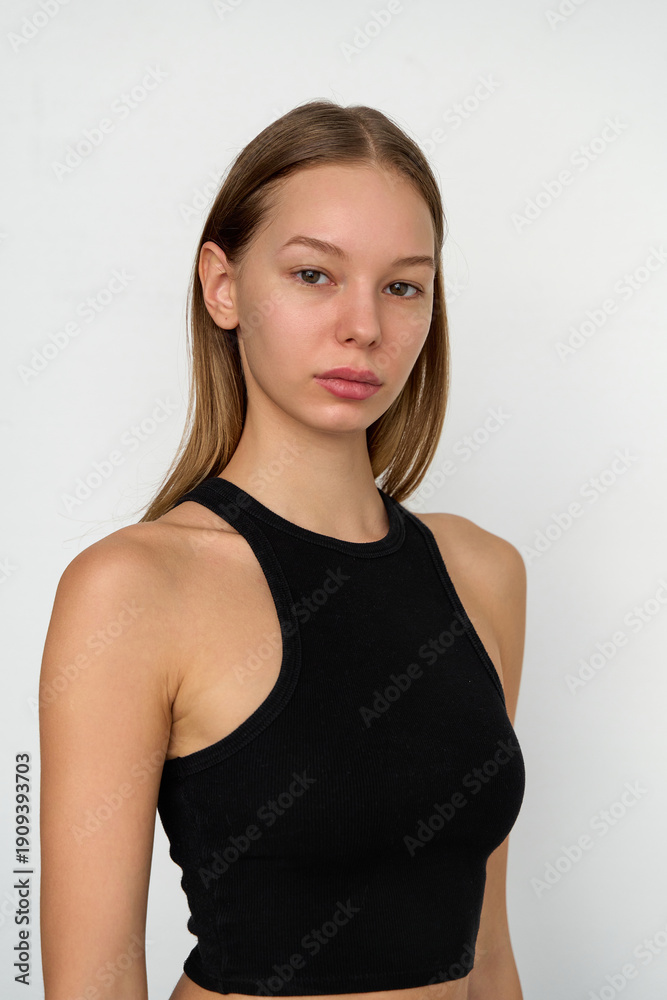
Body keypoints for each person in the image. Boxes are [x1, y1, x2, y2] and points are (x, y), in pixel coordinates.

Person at [39, 99, 527, 1000]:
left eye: (402, 286)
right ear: (221, 286)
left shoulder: (482, 573)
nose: (363, 326)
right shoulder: (133, 589)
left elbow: (486, 951)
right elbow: (90, 982)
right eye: (313, 274)